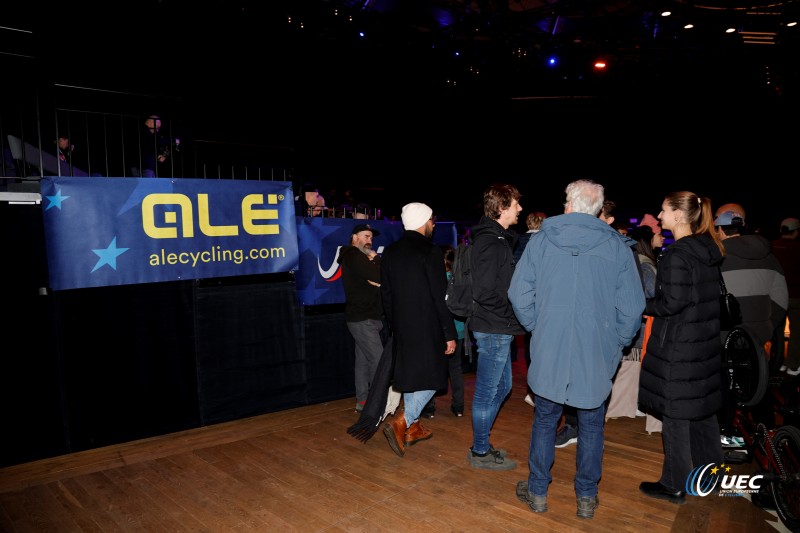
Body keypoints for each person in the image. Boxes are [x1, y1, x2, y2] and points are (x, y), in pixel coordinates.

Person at [509, 179, 645, 519]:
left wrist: (536, 325)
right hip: (596, 348)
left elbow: (518, 293)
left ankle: (538, 491)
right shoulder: (617, 248)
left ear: (568, 205)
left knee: (544, 420)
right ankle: (585, 498)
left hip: (550, 342)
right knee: (592, 423)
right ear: (598, 210)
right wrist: (616, 341)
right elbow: (632, 307)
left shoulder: (540, 242)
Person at [638, 192, 726, 505]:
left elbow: (671, 304)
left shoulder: (679, 255)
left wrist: (642, 305)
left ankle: (674, 483)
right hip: (702, 344)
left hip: (680, 346)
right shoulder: (708, 249)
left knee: (675, 415)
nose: (660, 217)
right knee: (701, 412)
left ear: (678, 215)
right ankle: (712, 477)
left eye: (663, 211)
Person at [380, 202, 457, 457]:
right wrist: (449, 333)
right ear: (424, 222)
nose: (433, 225)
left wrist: (394, 325)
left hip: (402, 325)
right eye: (432, 221)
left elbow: (387, 295)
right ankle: (403, 420)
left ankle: (412, 428)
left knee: (412, 377)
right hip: (428, 326)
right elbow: (439, 296)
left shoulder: (390, 252)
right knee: (435, 377)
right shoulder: (430, 251)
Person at [468, 183, 526, 471]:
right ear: (502, 207)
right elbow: (484, 292)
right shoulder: (491, 242)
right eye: (516, 204)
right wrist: (513, 314)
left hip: (499, 326)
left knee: (503, 387)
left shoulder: (498, 239)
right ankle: (479, 450)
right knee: (487, 392)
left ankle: (482, 442)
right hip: (493, 327)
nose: (520, 208)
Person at [714, 210, 787, 345]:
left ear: (720, 230)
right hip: (761, 333)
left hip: (725, 334)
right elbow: (781, 297)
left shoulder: (715, 259)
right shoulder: (770, 257)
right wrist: (769, 324)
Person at [338, 223, 385, 413]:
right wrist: (376, 260)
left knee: (364, 360)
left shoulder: (357, 257)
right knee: (378, 360)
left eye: (371, 238)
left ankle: (363, 401)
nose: (369, 241)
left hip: (365, 316)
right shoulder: (354, 256)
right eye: (365, 236)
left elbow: (376, 280)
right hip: (362, 318)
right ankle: (376, 403)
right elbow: (379, 277)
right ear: (354, 237)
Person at [422, 245, 467, 418]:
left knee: (434, 369)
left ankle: (429, 407)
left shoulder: (436, 281)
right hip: (459, 331)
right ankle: (458, 407)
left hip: (440, 332)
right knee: (456, 370)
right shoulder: (459, 280)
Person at [512, 211, 547, 408]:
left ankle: (531, 386)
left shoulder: (517, 242)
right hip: (542, 301)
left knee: (528, 343)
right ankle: (536, 390)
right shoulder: (545, 242)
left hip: (524, 299)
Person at [773, 217, 800, 376]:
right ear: (796, 232)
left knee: (777, 331)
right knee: (796, 332)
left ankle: (778, 361)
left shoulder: (773, 246)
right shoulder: (798, 248)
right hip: (796, 296)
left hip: (777, 296)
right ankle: (792, 364)